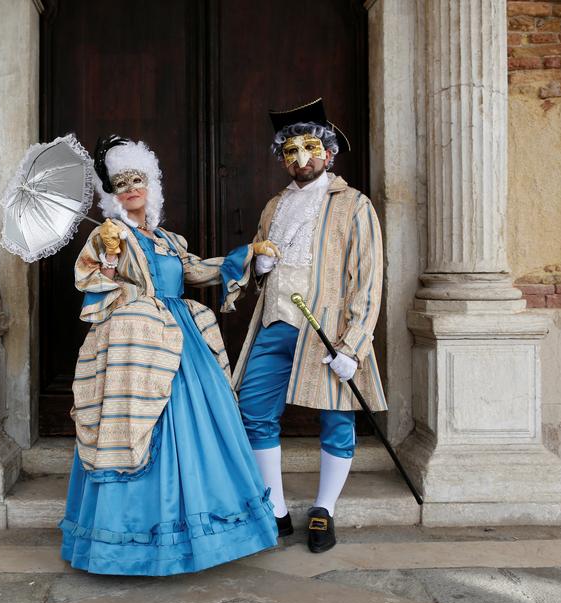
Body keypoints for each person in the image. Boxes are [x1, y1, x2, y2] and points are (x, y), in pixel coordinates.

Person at [60, 135, 281, 576]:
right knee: (138, 428)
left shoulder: (166, 238)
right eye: (119, 183)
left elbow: (196, 270)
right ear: (111, 194)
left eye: (136, 180)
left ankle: (208, 535)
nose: (129, 189)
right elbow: (90, 285)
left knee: (203, 425)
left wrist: (246, 256)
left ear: (151, 186)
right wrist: (107, 258)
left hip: (185, 341)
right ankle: (130, 544)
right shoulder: (111, 235)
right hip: (137, 348)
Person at [232, 99, 386, 553]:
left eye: (310, 147)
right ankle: (275, 510)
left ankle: (324, 510)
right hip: (276, 323)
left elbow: (368, 280)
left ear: (329, 152)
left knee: (337, 420)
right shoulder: (273, 206)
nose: (301, 158)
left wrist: (354, 346)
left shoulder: (354, 205)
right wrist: (256, 266)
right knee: (254, 412)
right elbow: (261, 272)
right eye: (290, 150)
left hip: (328, 333)